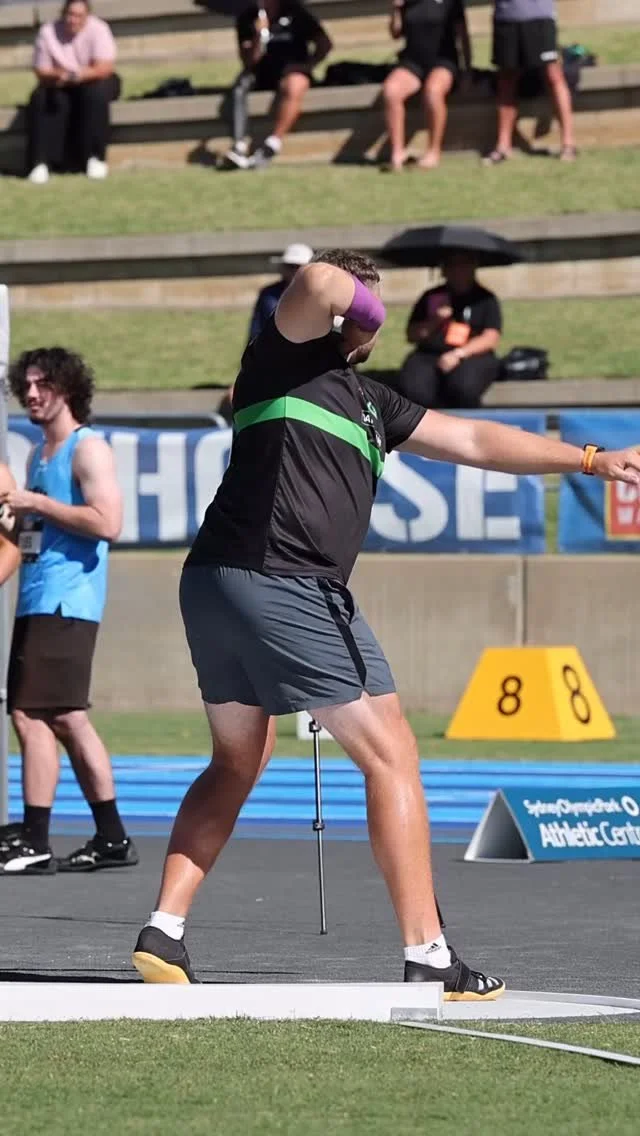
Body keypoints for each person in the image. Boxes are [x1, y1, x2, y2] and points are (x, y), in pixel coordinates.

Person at [131, 248, 640, 990]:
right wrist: (359, 309)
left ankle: (164, 930)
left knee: (240, 760)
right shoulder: (286, 356)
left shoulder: (372, 401)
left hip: (222, 583)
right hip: (287, 580)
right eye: (365, 309)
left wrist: (591, 460)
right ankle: (429, 954)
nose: (369, 321)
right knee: (392, 754)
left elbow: (475, 441)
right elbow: (316, 282)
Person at [0, 347, 138, 877]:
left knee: (32, 714)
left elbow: (108, 523)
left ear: (69, 388)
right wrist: (16, 515)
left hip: (67, 599)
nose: (32, 394)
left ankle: (36, 839)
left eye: (44, 385)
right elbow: (33, 531)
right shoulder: (40, 454)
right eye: (27, 385)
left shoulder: (88, 449)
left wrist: (37, 504)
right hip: (39, 596)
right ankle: (110, 835)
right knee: (63, 717)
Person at [225, 1, 332, 170]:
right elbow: (248, 62)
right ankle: (239, 144)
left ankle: (272, 144)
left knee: (296, 84)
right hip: (260, 74)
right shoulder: (247, 18)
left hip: (291, 71)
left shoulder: (296, 13)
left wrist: (307, 66)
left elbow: (325, 43)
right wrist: (258, 36)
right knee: (240, 86)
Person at [27, 0, 120, 185]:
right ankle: (40, 163)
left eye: (79, 16)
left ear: (87, 17)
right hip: (59, 80)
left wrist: (80, 75)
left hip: (94, 78)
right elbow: (41, 70)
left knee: (95, 95)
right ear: (63, 14)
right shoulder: (48, 32)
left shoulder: (99, 29)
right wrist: (60, 75)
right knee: (41, 98)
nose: (73, 20)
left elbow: (104, 67)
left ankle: (95, 158)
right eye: (70, 15)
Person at [397, 251, 502, 408]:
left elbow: (490, 338)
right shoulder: (431, 296)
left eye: (463, 264)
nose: (457, 270)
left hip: (470, 355)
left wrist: (459, 354)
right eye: (451, 265)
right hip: (429, 354)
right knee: (415, 388)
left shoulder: (485, 299)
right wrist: (436, 320)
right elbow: (412, 335)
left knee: (464, 386)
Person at [382, 0, 471, 172]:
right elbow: (395, 33)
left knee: (433, 91)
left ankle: (433, 151)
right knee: (391, 91)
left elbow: (463, 35)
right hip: (413, 61)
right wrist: (395, 9)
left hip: (443, 61)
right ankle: (397, 154)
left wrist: (467, 70)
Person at [484, 0, 576, 164]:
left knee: (553, 75)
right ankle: (503, 146)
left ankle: (568, 143)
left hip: (539, 19)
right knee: (506, 80)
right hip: (505, 18)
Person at [248, 242, 313, 343]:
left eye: (298, 267)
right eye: (290, 266)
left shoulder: (317, 295)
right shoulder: (269, 294)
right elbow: (257, 330)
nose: (294, 271)